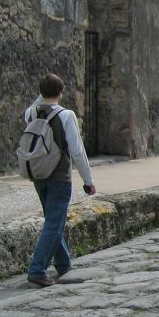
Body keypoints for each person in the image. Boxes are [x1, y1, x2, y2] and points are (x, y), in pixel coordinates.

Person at [23, 73, 96, 287]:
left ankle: (64, 266)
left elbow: (38, 102)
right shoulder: (66, 116)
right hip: (59, 176)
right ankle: (37, 269)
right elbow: (77, 151)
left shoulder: (30, 113)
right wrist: (88, 180)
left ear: (42, 92)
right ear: (61, 92)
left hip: (38, 173)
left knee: (53, 220)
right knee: (54, 222)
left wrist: (43, 92)